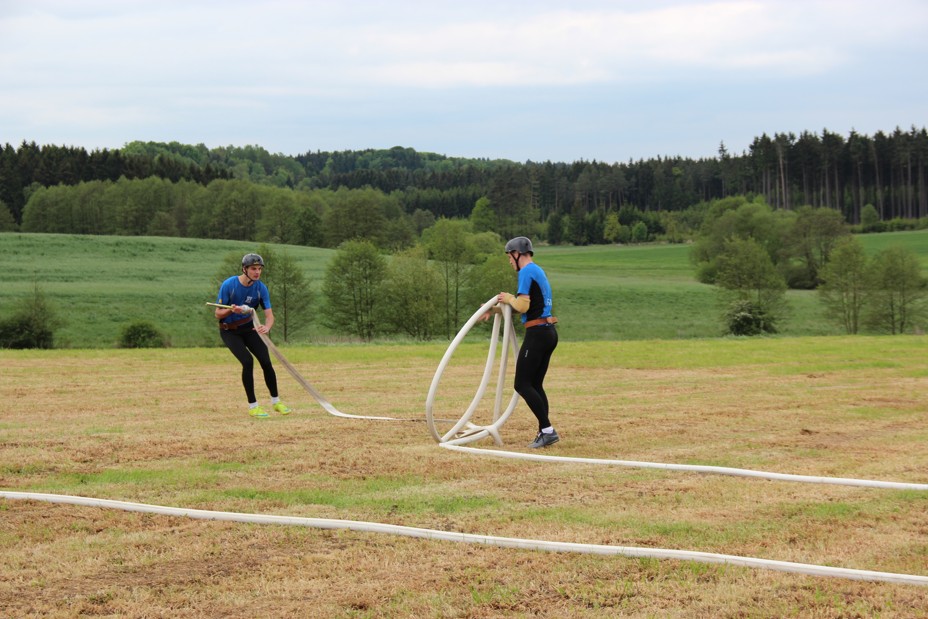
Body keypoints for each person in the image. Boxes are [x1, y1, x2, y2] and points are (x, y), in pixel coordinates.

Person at [492, 236, 559, 448]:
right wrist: (492, 309)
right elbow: (527, 304)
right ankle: (544, 430)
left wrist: (508, 297)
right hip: (548, 332)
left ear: (517, 254)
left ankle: (547, 430)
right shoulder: (537, 270)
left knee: (521, 384)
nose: (509, 261)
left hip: (537, 334)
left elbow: (522, 305)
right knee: (535, 384)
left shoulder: (526, 272)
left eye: (510, 257)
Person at [215, 253, 292, 419]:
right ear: (244, 269)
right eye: (253, 269)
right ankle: (253, 406)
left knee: (266, 361)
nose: (257, 272)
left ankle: (276, 402)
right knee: (248, 362)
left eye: (259, 269)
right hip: (230, 331)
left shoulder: (260, 288)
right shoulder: (230, 284)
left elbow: (270, 316)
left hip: (250, 329)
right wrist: (230, 309)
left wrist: (267, 327)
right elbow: (218, 313)